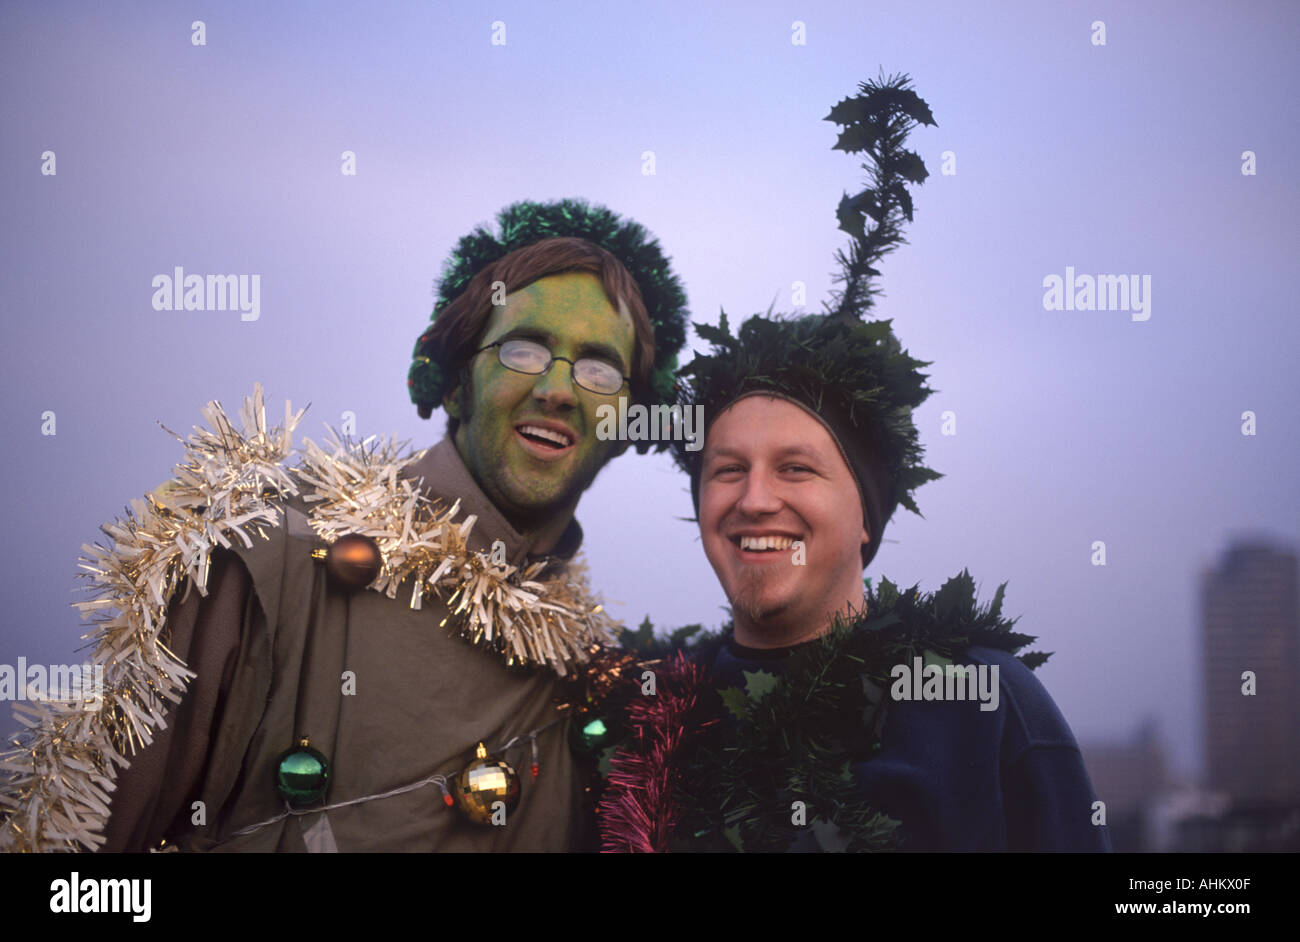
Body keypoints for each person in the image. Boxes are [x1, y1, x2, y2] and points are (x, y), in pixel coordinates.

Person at [0, 199, 687, 852]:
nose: (560, 389)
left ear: (629, 419)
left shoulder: (601, 673)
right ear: (453, 383)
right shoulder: (271, 556)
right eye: (523, 351)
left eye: (600, 368)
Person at [597, 77, 1110, 853]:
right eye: (727, 470)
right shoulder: (647, 712)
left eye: (797, 469)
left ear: (868, 512)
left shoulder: (985, 707)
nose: (756, 499)